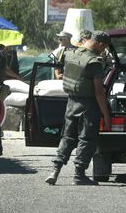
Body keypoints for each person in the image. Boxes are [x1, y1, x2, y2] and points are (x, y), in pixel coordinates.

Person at [45, 31, 112, 185]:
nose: (103, 51)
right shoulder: (94, 62)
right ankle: (79, 175)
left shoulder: (70, 54)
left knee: (67, 137)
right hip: (88, 105)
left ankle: (55, 171)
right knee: (86, 139)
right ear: (100, 44)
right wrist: (106, 115)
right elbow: (99, 93)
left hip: (71, 102)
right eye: (104, 48)